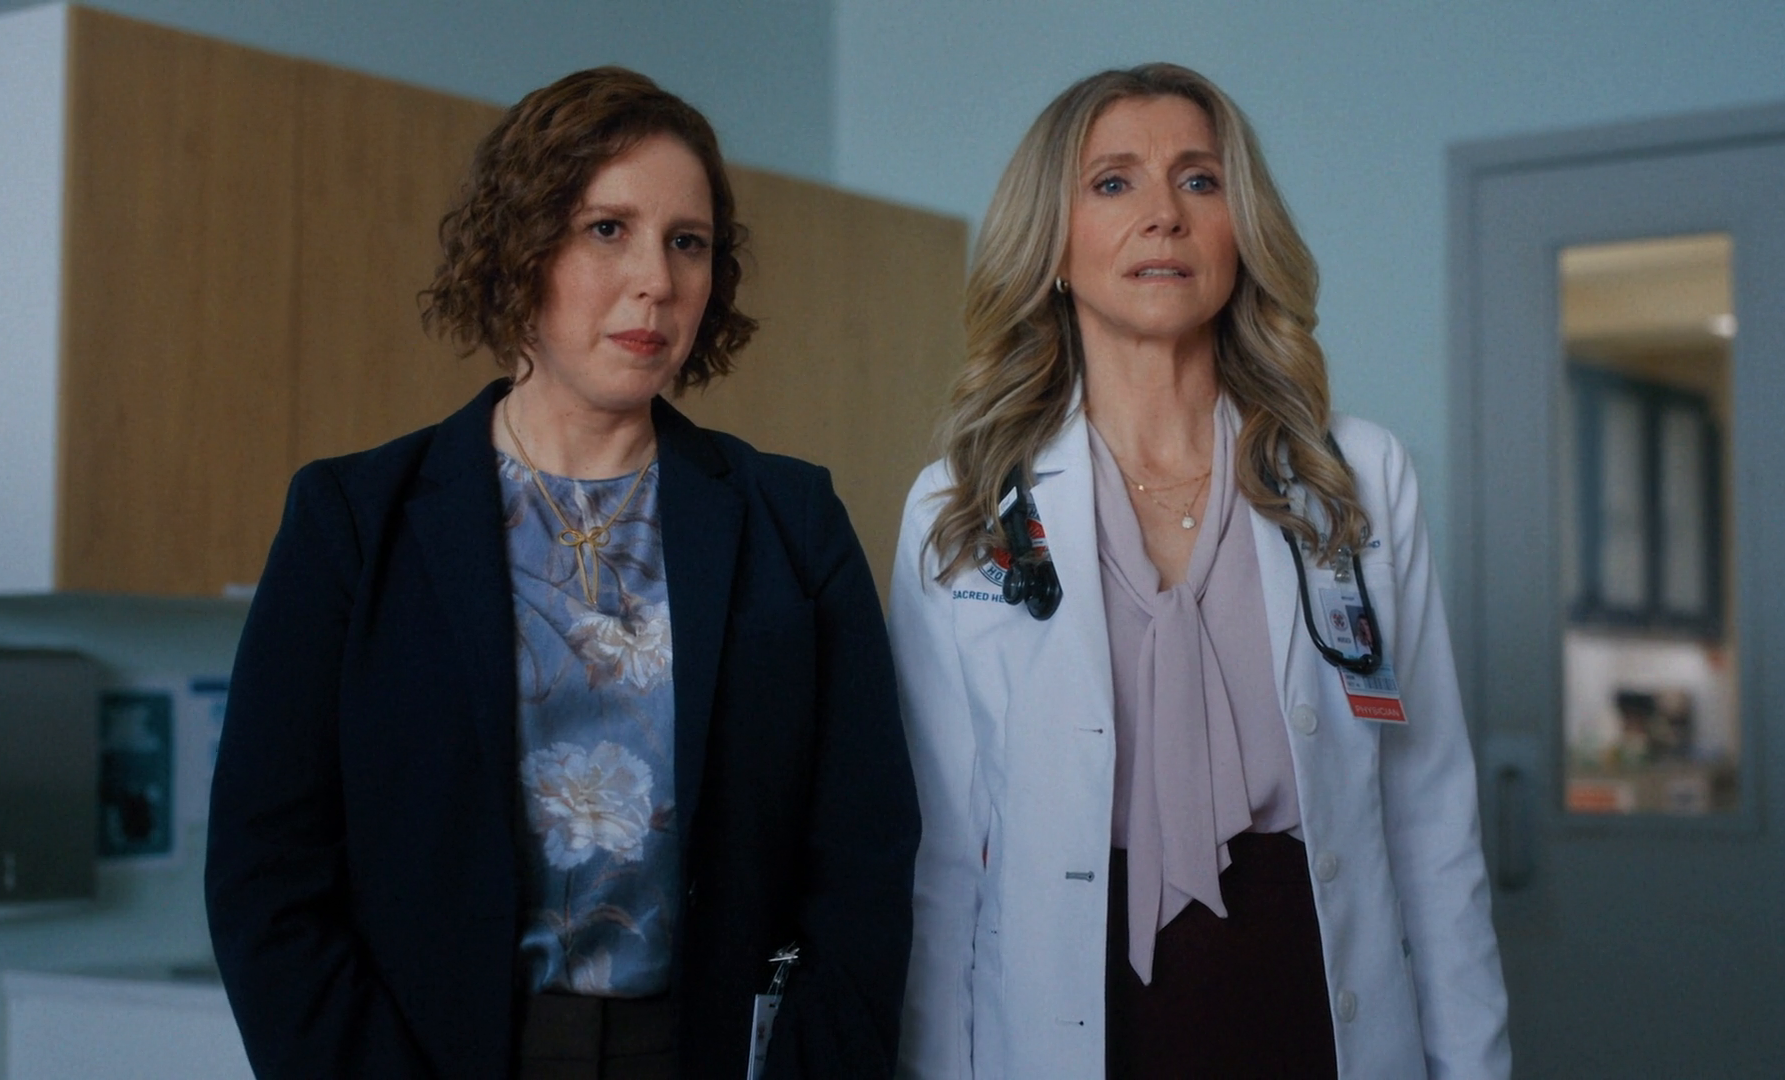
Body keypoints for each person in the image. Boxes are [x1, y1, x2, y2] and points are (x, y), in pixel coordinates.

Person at [206, 66, 918, 1080]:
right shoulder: (353, 523)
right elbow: (266, 874)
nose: (656, 280)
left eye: (688, 241)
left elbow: (867, 859)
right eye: (607, 229)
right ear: (520, 247)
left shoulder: (792, 524)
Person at [890, 63, 1508, 1079]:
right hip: (1070, 1022)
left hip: (1319, 1005)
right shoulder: (965, 507)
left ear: (1241, 231)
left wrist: (1473, 1065)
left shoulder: (1352, 478)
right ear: (1052, 245)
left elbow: (1431, 814)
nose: (1164, 215)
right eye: (1113, 182)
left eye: (1199, 180)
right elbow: (943, 857)